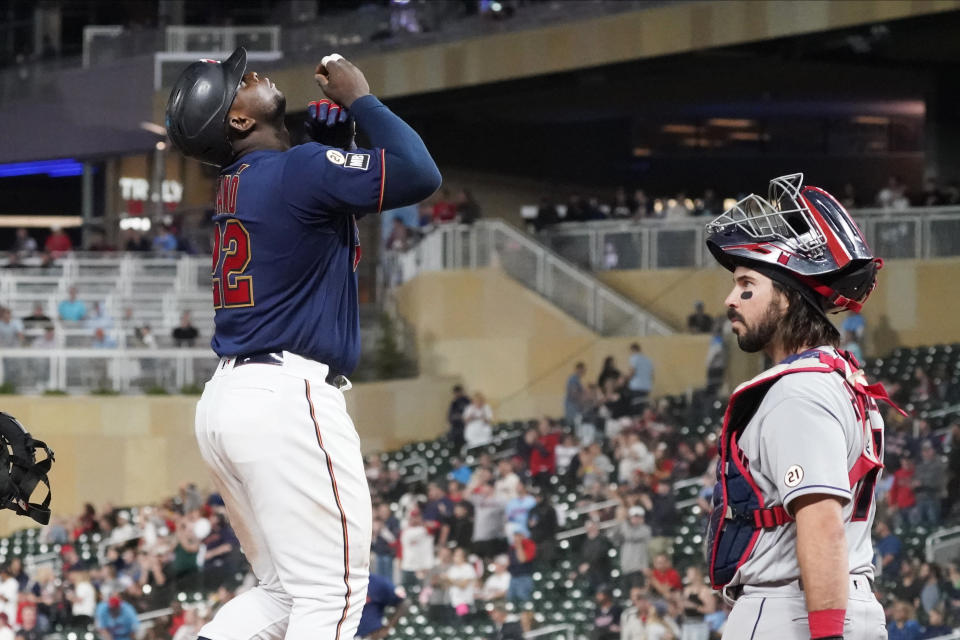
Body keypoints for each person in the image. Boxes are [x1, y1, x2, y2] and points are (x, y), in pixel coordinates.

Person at [167, 47, 441, 640]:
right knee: (334, 594)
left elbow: (315, 212)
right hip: (285, 398)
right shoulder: (297, 170)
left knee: (284, 596)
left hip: (231, 399)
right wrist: (362, 97)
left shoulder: (248, 179)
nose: (256, 74)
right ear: (238, 121)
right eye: (241, 81)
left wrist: (331, 148)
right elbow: (420, 172)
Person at [702, 173, 897, 640]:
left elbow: (821, 520)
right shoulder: (836, 376)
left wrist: (826, 634)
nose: (731, 299)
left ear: (787, 298)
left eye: (747, 283)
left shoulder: (798, 391)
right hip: (834, 601)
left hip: (793, 609)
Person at [355, 571, 407, 639]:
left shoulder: (377, 582)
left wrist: (387, 628)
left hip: (369, 635)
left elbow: (405, 603)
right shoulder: (338, 582)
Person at [626, 343, 654, 412]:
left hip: (636, 387)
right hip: (646, 387)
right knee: (643, 407)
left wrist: (625, 380)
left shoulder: (634, 358)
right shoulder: (648, 360)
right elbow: (652, 375)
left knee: (636, 407)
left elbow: (632, 372)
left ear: (633, 350)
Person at [447, 385, 470, 452]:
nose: (457, 394)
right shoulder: (454, 403)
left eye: (458, 392)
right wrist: (458, 417)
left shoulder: (467, 401)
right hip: (456, 429)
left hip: (466, 428)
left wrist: (462, 417)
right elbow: (450, 417)